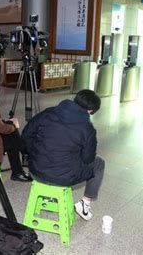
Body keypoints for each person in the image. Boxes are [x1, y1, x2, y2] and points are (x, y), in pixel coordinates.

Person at [22, 90, 105, 220]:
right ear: (91, 111)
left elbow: (26, 134)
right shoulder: (87, 128)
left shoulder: (48, 112)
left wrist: (35, 153)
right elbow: (88, 159)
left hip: (35, 170)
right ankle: (85, 203)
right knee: (99, 163)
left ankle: (49, 193)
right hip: (63, 178)